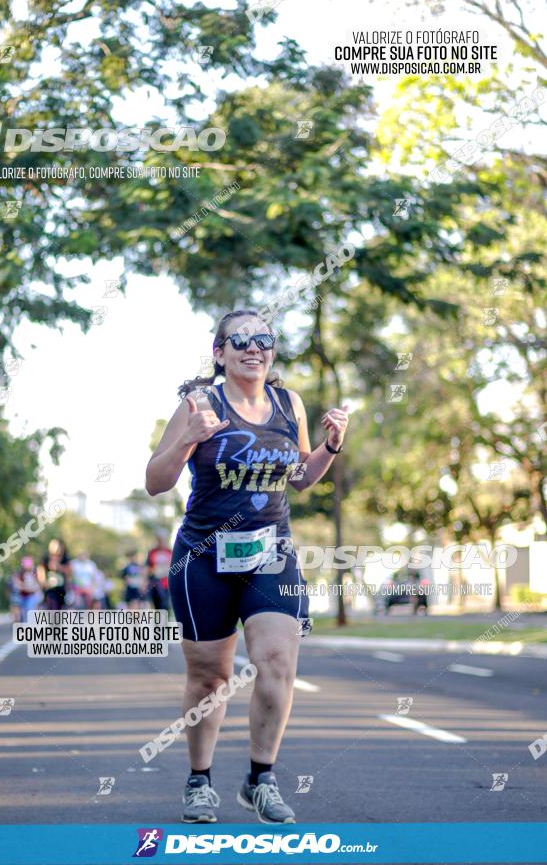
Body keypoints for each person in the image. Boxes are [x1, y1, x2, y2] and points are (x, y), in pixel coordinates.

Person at [145, 309, 348, 825]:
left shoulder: (289, 403)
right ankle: (199, 781)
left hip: (271, 554)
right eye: (241, 340)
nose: (254, 348)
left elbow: (300, 477)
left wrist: (330, 447)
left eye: (264, 339)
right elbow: (155, 480)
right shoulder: (199, 404)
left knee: (277, 659)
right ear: (220, 352)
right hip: (203, 557)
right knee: (210, 677)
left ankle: (261, 779)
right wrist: (189, 436)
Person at [40, 539, 71, 612]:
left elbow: (69, 572)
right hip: (49, 590)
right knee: (52, 606)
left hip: (62, 590)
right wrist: (43, 582)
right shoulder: (46, 558)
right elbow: (41, 571)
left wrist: (59, 567)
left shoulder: (65, 558)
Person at [145, 531, 172, 611]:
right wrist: (155, 571)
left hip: (168, 583)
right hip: (156, 583)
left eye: (162, 539)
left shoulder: (170, 552)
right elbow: (147, 568)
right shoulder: (152, 552)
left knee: (166, 605)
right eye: (159, 539)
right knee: (158, 605)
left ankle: (164, 622)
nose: (161, 541)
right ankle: (160, 622)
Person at [12, 555, 42, 622]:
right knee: (24, 613)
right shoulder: (20, 573)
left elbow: (37, 586)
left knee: (29, 611)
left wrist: (25, 587)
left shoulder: (35, 572)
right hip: (22, 597)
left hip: (32, 596)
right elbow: (17, 584)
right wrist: (25, 587)